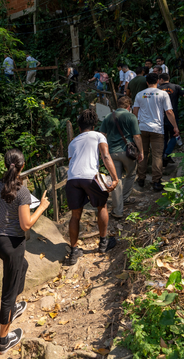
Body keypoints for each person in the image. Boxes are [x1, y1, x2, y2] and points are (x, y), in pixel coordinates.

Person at [0, 149, 51, 354]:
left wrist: (2, 210)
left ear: (6, 164)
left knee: (24, 265)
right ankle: (3, 341)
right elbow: (26, 224)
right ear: (22, 166)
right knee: (8, 293)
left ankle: (13, 305)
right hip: (12, 246)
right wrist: (42, 207)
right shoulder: (22, 192)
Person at [65, 109, 119, 266]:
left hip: (72, 179)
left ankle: (74, 251)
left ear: (79, 127)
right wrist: (114, 178)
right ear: (94, 125)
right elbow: (105, 156)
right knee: (102, 206)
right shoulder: (98, 136)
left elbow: (72, 162)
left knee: (75, 215)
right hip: (90, 177)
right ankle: (103, 243)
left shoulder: (73, 142)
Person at [132, 73, 179, 192]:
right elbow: (169, 112)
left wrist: (135, 127)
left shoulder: (140, 94)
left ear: (147, 82)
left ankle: (141, 179)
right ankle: (156, 182)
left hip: (142, 128)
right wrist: (175, 126)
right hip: (157, 129)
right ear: (158, 81)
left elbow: (135, 112)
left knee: (143, 153)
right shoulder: (163, 94)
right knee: (157, 155)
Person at [99, 96, 144, 219]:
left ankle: (118, 211)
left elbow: (102, 135)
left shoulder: (108, 117)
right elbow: (137, 136)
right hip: (127, 152)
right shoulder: (131, 117)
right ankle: (124, 198)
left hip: (111, 153)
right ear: (129, 107)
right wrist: (141, 152)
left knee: (116, 179)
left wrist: (103, 152)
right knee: (131, 174)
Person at [158, 73, 184, 163]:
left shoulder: (157, 89)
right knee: (175, 134)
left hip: (160, 116)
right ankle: (167, 154)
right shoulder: (176, 87)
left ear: (161, 79)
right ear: (168, 78)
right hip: (172, 115)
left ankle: (164, 157)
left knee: (164, 137)